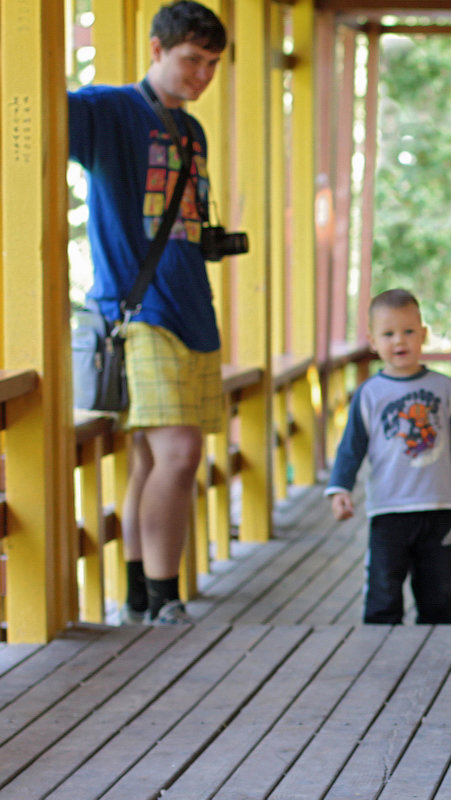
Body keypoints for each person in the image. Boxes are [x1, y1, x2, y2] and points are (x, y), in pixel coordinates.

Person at [69, 1, 229, 625]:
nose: (201, 76)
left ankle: (138, 591)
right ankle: (166, 597)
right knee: (180, 454)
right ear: (157, 50)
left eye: (212, 64)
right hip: (141, 313)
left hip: (194, 309)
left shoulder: (192, 132)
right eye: (192, 60)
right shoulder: (107, 110)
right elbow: (28, 103)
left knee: (150, 458)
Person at [326, 289, 451, 624]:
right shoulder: (369, 393)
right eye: (388, 334)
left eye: (409, 331)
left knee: (438, 594)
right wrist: (340, 489)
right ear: (372, 340)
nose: (400, 341)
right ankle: (381, 659)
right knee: (384, 592)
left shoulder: (443, 388)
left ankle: (439, 656)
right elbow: (351, 447)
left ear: (423, 334)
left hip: (439, 508)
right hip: (388, 510)